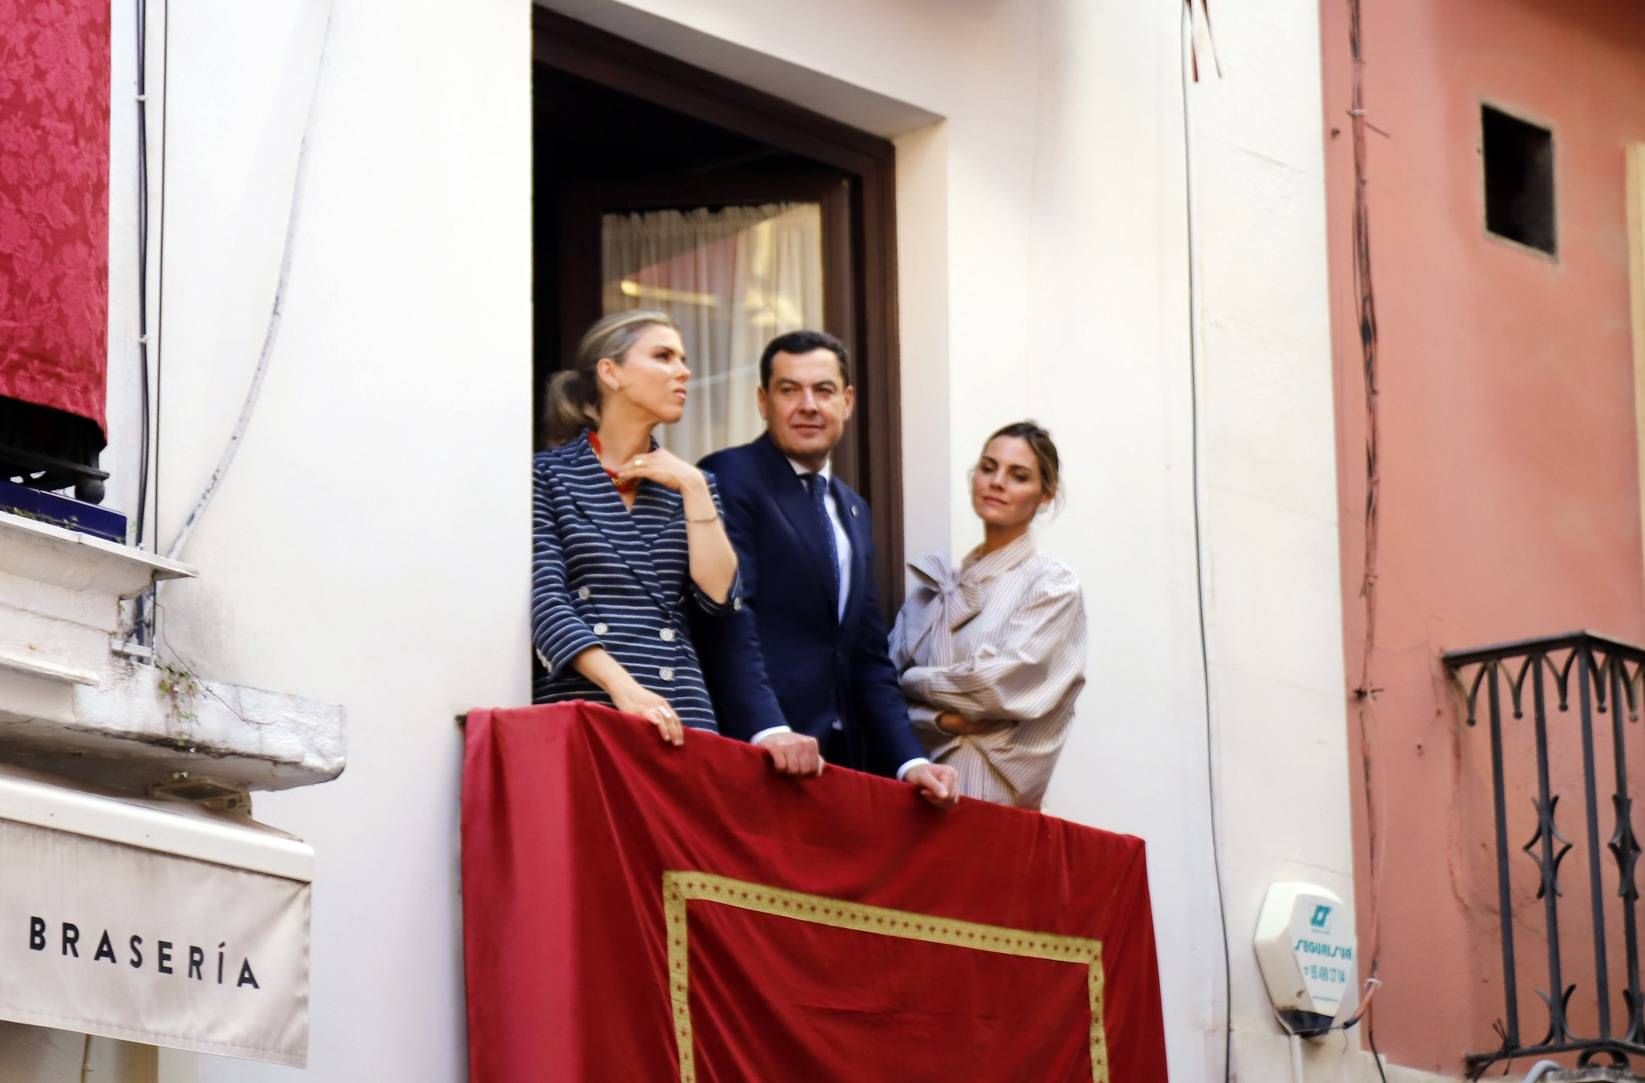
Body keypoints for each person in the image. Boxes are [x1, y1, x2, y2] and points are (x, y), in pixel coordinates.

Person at [694, 330, 958, 806]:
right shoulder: (730, 478)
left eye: (824, 390)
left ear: (848, 401)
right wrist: (768, 729)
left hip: (841, 765)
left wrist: (911, 762)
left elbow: (866, 651)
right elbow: (730, 617)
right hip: (758, 757)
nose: (808, 405)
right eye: (789, 390)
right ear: (762, 401)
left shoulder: (852, 509)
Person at [532, 310, 741, 743]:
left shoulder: (693, 483)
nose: (683, 371)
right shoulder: (546, 476)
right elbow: (545, 602)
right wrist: (623, 689)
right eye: (663, 356)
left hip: (681, 712)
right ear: (610, 372)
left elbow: (718, 597)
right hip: (586, 704)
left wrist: (695, 487)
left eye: (683, 358)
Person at [889, 422, 1087, 810]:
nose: (997, 482)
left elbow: (992, 686)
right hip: (906, 793)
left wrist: (911, 680)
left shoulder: (1051, 586)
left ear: (1045, 495)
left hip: (989, 799)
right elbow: (880, 691)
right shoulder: (930, 592)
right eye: (988, 467)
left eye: (1018, 476)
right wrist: (943, 722)